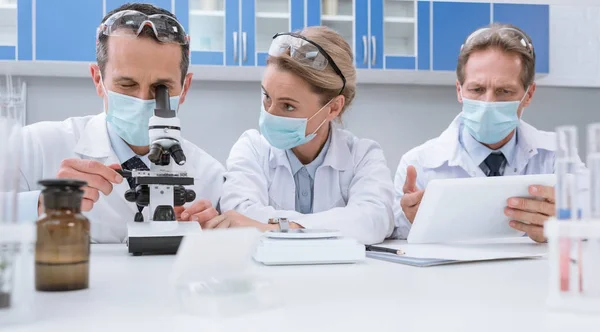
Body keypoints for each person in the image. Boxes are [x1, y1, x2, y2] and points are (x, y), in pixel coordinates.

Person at [13, 3, 224, 243]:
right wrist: (41, 204)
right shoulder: (35, 147)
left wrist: (209, 240)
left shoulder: (211, 176)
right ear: (97, 79)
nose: (143, 99)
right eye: (126, 85)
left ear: (185, 88)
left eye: (160, 89)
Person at [393, 24, 585, 243]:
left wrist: (567, 224)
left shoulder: (555, 155)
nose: (488, 103)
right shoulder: (419, 164)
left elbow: (591, 215)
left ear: (529, 94)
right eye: (477, 90)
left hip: (531, 277)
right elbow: (396, 242)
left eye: (504, 91)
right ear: (459, 90)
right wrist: (411, 222)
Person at [211, 27, 394, 245]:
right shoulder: (252, 148)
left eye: (288, 106)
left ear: (333, 108)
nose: (270, 114)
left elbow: (373, 220)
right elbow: (238, 214)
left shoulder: (363, 156)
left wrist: (276, 228)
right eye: (267, 97)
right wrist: (334, 226)